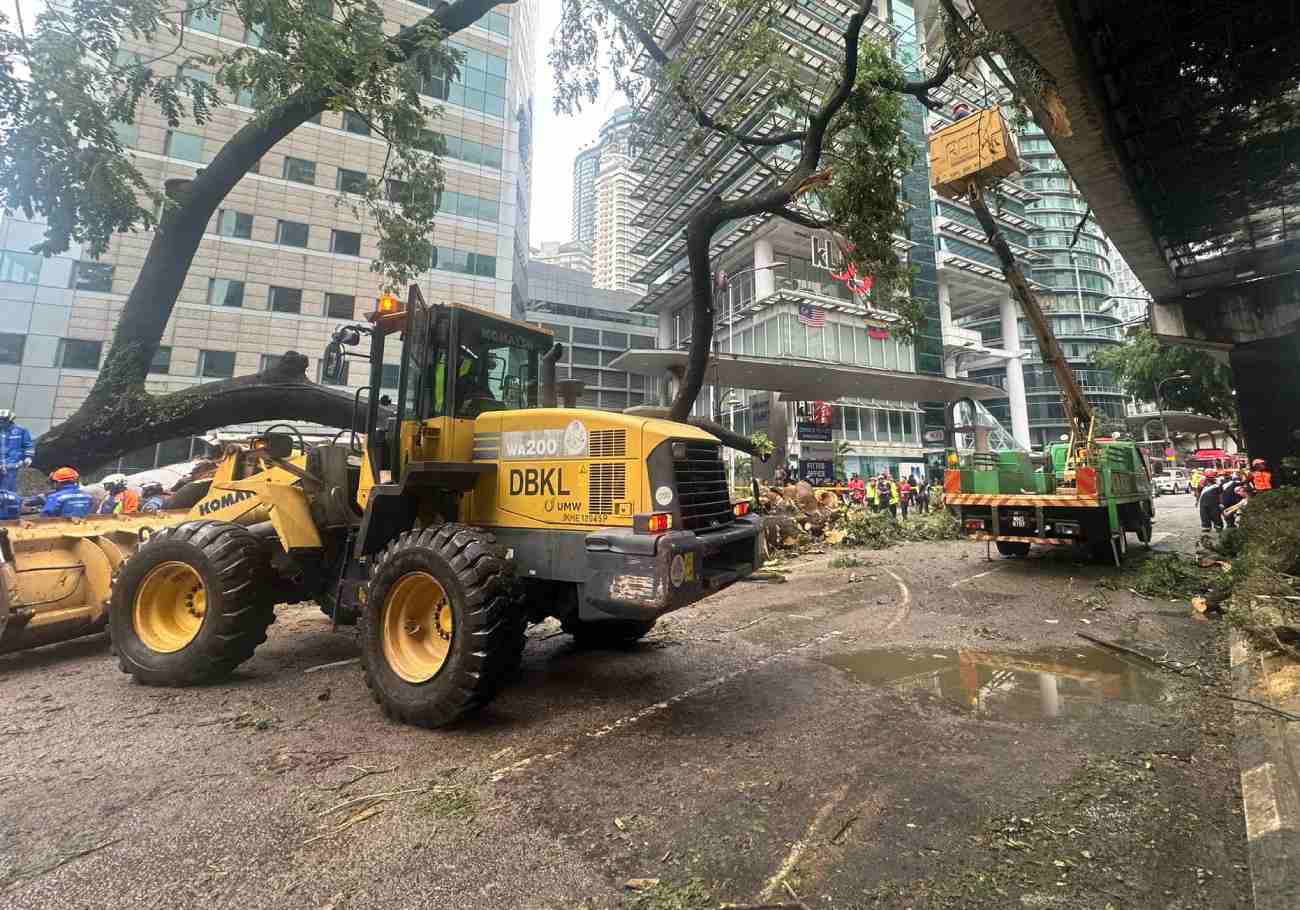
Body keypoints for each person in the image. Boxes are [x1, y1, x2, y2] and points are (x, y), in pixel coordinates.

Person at [0, 409, 34, 494]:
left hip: (12, 465)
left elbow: (28, 445)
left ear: (10, 419)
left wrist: (28, 457)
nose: (1, 422)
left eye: (4, 420)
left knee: (8, 490)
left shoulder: (21, 431)